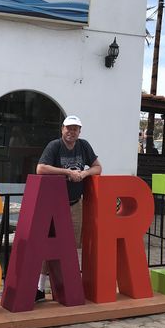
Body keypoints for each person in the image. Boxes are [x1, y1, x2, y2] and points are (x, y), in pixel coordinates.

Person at [35, 115, 102, 300]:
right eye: (68, 128)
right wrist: (67, 172)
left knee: (71, 246)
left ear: (79, 131)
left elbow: (98, 167)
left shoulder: (84, 146)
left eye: (75, 129)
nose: (71, 132)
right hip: (53, 205)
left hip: (74, 203)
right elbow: (40, 168)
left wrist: (85, 173)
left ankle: (68, 285)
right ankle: (39, 287)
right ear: (62, 129)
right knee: (48, 245)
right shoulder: (54, 146)